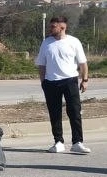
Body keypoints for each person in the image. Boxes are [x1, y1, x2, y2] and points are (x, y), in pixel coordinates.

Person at [34, 15, 90, 154]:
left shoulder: (74, 42)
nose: (50, 28)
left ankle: (77, 142)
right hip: (51, 83)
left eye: (53, 26)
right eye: (50, 26)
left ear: (62, 27)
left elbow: (83, 63)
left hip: (70, 80)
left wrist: (85, 80)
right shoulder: (46, 43)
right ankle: (58, 142)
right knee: (55, 113)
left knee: (75, 111)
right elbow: (41, 65)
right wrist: (43, 82)